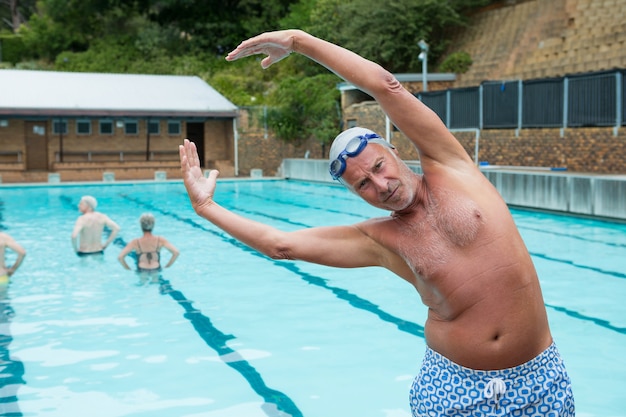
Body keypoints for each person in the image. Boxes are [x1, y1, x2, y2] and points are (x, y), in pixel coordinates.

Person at [179, 30, 574, 416]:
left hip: (538, 380)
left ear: (395, 150)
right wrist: (206, 207)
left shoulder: (452, 167)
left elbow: (387, 87)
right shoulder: (380, 240)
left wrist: (300, 42)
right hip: (453, 389)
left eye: (380, 167)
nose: (381, 185)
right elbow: (280, 244)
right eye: (363, 184)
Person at [118, 213, 180, 284]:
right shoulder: (160, 240)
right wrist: (167, 266)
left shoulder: (135, 242)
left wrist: (128, 269)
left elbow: (120, 257)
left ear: (141, 225)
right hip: (156, 269)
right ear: (153, 225)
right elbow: (176, 252)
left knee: (142, 287)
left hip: (142, 270)